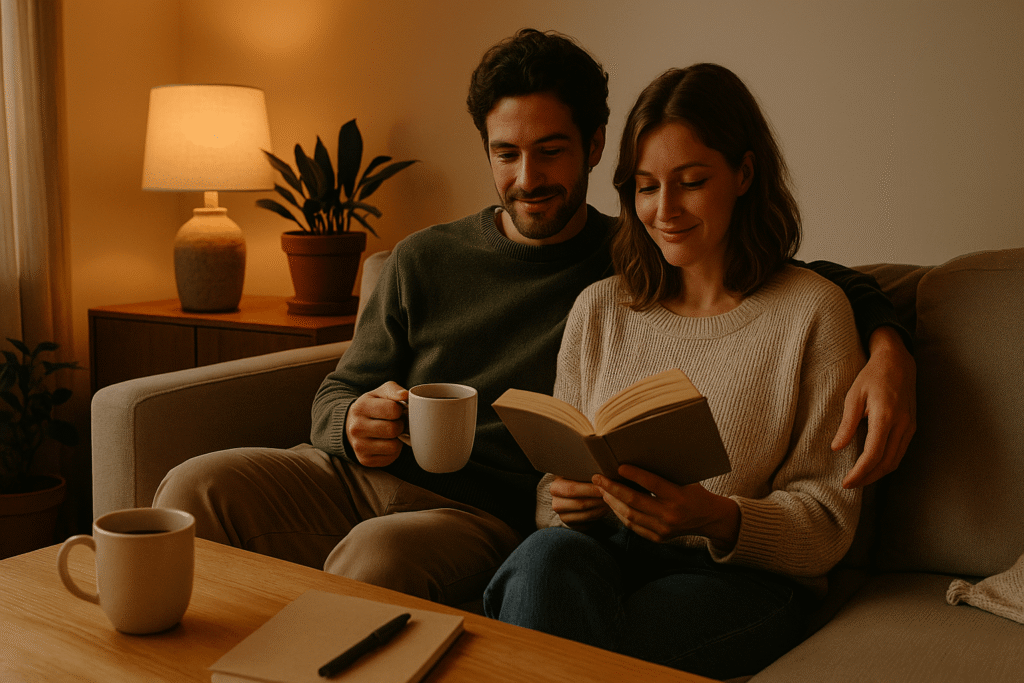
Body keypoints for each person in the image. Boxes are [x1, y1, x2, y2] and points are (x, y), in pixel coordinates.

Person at [153, 31, 911, 606]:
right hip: (353, 478)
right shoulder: (421, 258)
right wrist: (352, 421)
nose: (528, 178)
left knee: (377, 558)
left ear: (592, 147)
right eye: (505, 152)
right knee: (192, 488)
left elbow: (783, 280)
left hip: (475, 513)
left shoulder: (637, 257)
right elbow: (335, 391)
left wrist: (887, 341)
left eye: (550, 152)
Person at [483, 64, 868, 679]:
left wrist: (717, 516)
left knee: (593, 640)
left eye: (690, 182)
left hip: (738, 577)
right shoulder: (601, 308)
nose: (664, 211)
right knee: (542, 562)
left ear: (743, 174)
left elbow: (827, 522)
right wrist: (571, 503)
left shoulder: (812, 312)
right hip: (603, 553)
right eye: (645, 187)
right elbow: (549, 496)